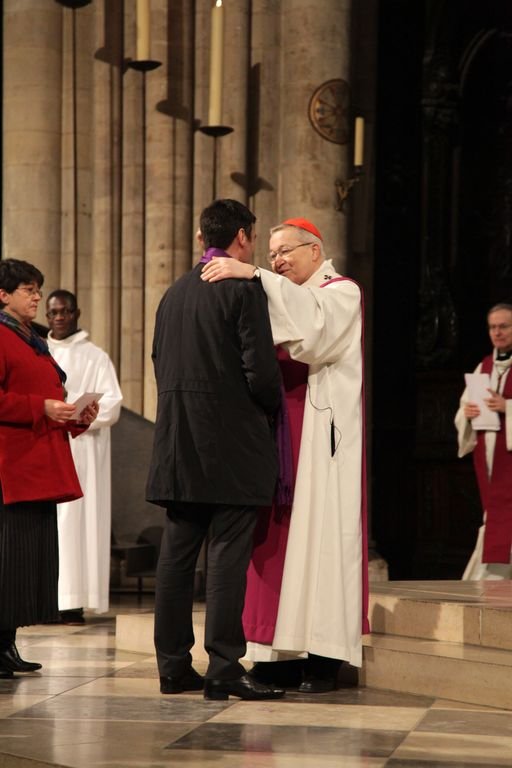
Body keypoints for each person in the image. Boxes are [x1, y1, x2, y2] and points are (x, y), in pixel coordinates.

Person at [201, 217, 369, 693]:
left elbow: (314, 333)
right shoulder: (276, 291)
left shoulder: (342, 291)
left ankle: (322, 656)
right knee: (272, 545)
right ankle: (275, 654)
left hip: (321, 440)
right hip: (274, 435)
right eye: (271, 253)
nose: (276, 260)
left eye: (285, 251)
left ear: (315, 251)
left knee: (319, 541)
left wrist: (254, 274)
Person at [146, 199, 285, 701]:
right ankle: (224, 668)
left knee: (177, 557)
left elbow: (160, 362)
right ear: (243, 238)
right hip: (230, 443)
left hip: (178, 442)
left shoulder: (173, 294)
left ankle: (172, 668)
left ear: (204, 237)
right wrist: (268, 410)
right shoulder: (242, 289)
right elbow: (262, 373)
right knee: (227, 556)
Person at [0, 259, 98, 678]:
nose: (37, 296)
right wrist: (40, 407)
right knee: (10, 558)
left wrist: (76, 415)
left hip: (38, 464)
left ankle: (7, 645)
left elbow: (47, 391)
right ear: (2, 294)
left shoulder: (32, 339)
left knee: (26, 562)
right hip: (11, 467)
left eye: (37, 288)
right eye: (27, 289)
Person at [46, 290, 123, 622]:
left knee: (78, 523)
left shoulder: (95, 356)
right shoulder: (39, 351)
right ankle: (46, 597)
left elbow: (112, 403)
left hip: (84, 451)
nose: (59, 318)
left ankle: (74, 600)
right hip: (47, 448)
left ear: (76, 313)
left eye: (64, 312)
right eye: (53, 313)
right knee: (52, 525)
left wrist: (77, 414)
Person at [455, 302, 512, 579]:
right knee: (496, 518)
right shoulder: (484, 367)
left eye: (504, 326)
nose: (497, 333)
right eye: (493, 327)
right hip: (490, 461)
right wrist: (467, 414)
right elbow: (465, 408)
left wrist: (508, 408)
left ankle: (490, 578)